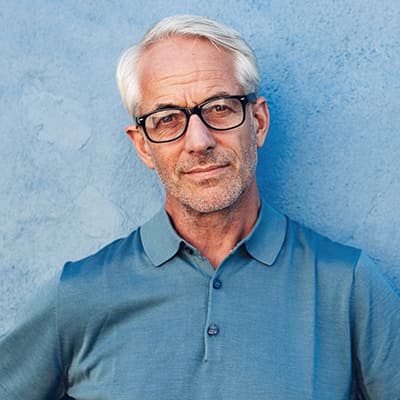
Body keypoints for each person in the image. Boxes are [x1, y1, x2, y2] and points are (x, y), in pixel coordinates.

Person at [1, 15, 399, 400]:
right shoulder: (77, 296)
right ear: (143, 145)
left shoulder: (348, 285)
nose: (198, 141)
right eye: (167, 118)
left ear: (257, 122)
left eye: (219, 108)